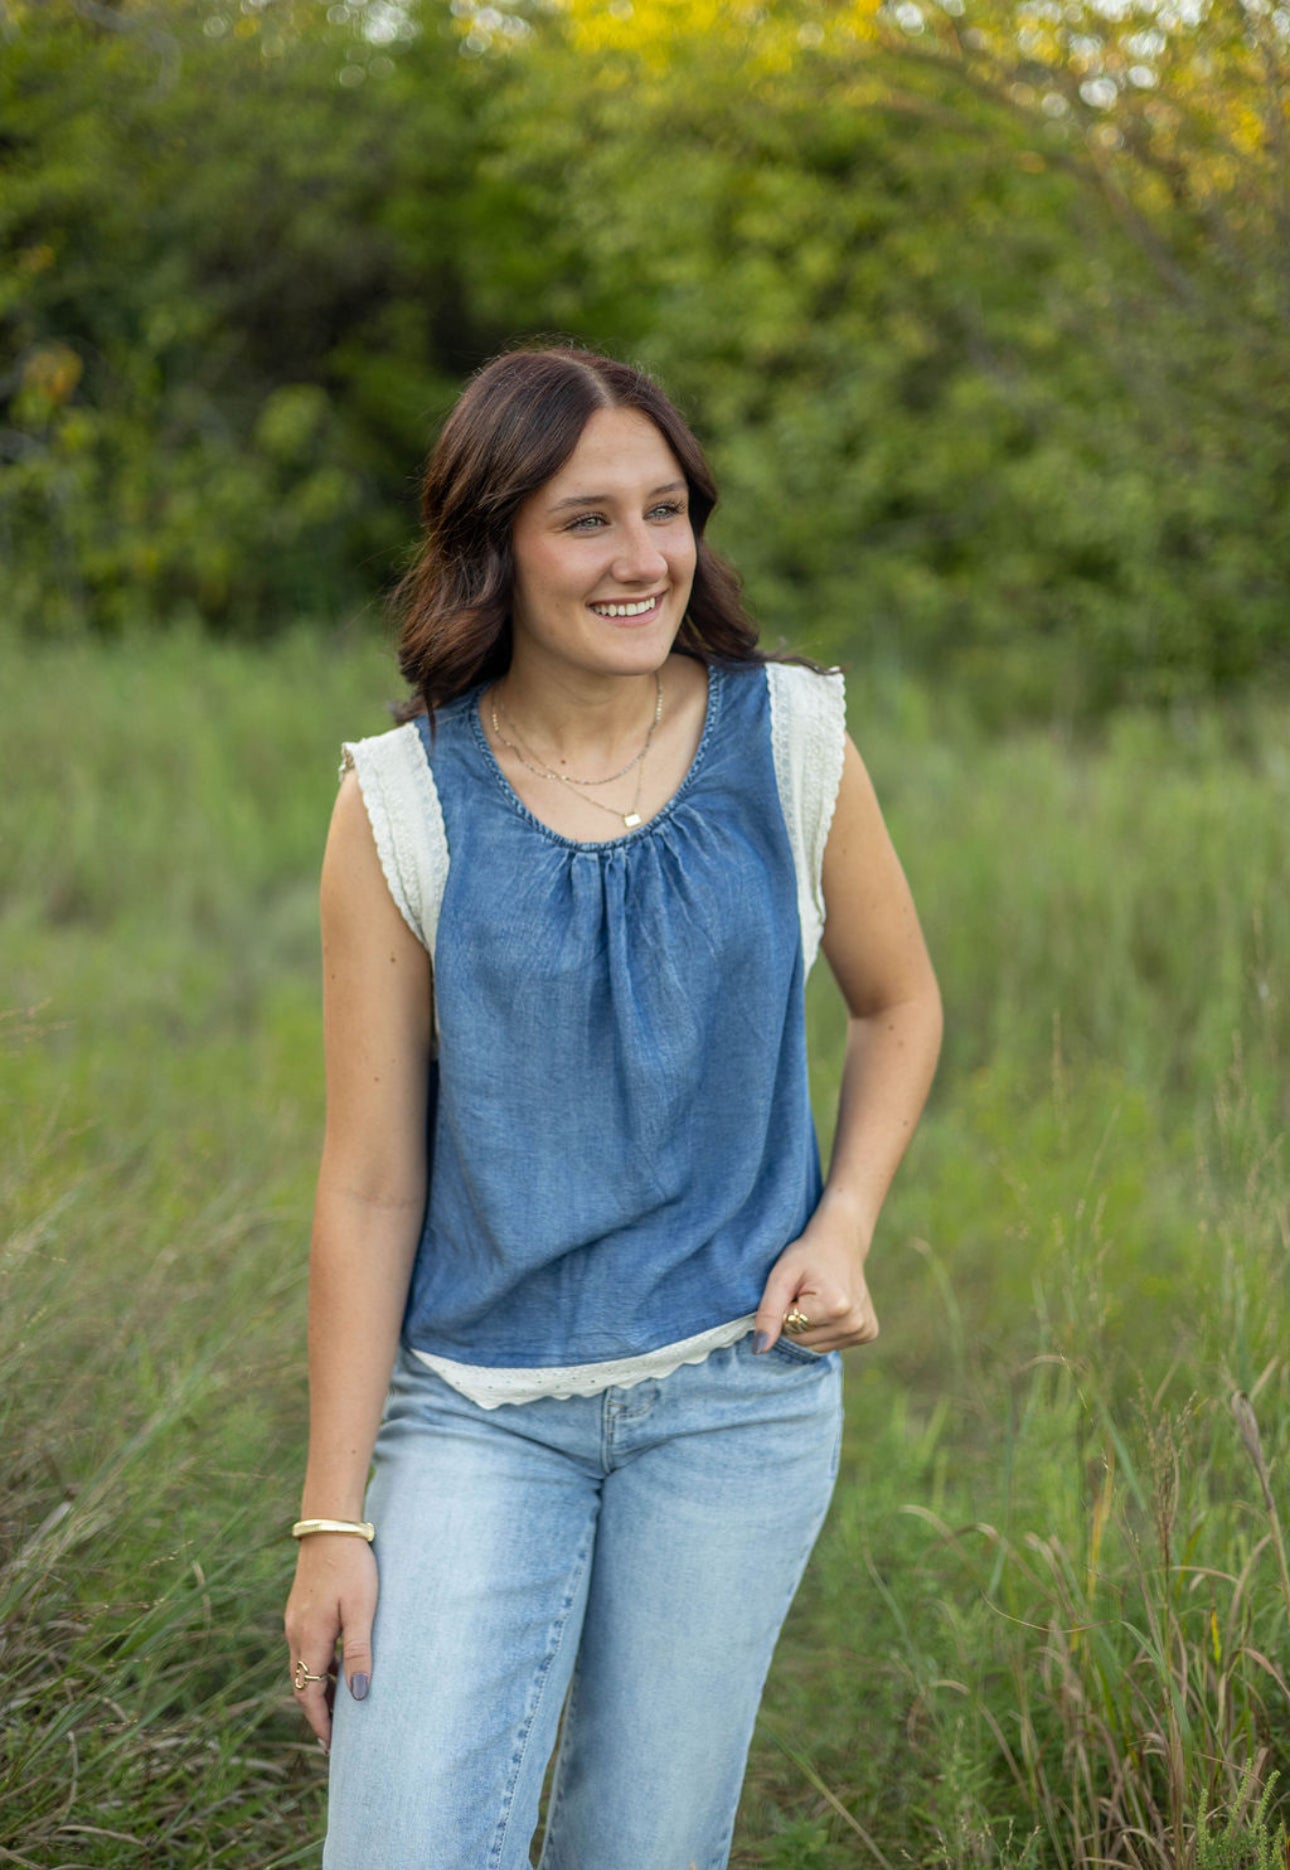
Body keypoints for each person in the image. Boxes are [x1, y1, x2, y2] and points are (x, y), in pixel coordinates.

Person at [284, 343, 943, 1869]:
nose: (642, 557)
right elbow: (370, 1183)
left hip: (736, 1396)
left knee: (640, 1847)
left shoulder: (785, 741)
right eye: (587, 519)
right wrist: (332, 1519)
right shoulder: (397, 800)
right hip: (474, 1412)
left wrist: (840, 1227)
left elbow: (898, 1004)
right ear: (493, 541)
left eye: (666, 510)